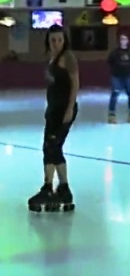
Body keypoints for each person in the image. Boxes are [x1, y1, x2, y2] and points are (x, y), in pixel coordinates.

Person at [28, 24, 79, 212]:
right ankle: (57, 188)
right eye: (53, 40)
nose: (56, 43)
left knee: (52, 146)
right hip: (53, 110)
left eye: (59, 40)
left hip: (64, 110)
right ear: (48, 42)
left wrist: (69, 109)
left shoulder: (68, 58)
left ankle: (55, 187)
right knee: (50, 148)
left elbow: (75, 84)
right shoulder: (52, 58)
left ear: (64, 41)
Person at [106, 34, 130, 124]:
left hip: (128, 76)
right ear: (119, 41)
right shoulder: (115, 52)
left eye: (125, 39)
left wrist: (128, 70)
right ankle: (111, 115)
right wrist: (116, 69)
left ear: (127, 41)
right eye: (121, 39)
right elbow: (109, 61)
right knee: (115, 93)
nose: (123, 41)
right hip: (116, 76)